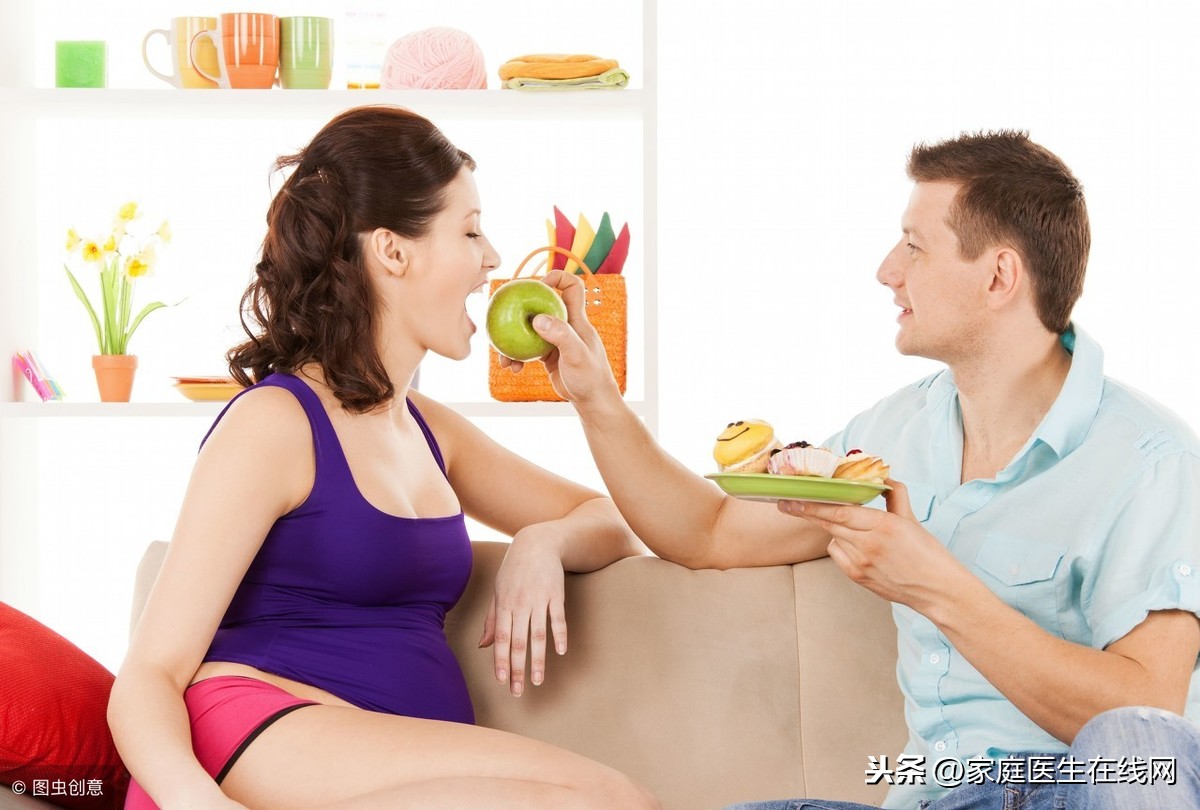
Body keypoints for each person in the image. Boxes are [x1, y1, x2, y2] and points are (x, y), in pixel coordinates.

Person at [513, 130, 1200, 809]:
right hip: (930, 801)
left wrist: (933, 585)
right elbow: (710, 530)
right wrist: (594, 395)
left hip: (1069, 795)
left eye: (914, 246)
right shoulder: (897, 432)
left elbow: (1148, 722)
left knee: (1140, 745)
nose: (887, 271)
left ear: (998, 276)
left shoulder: (1150, 462)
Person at [107, 105, 659, 810]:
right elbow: (148, 674)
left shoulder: (430, 430)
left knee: (618, 799)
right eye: (470, 231)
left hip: (372, 762)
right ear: (393, 252)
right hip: (255, 731)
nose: (492, 258)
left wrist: (542, 540)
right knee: (608, 801)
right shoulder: (275, 423)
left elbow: (614, 520)